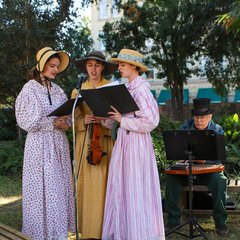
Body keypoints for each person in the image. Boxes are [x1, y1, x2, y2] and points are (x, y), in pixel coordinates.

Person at [101, 49, 165, 240]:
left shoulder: (142, 90)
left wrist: (123, 120)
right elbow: (118, 118)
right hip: (124, 142)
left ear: (133, 67)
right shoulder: (126, 89)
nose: (119, 68)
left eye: (122, 64)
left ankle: (139, 234)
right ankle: (124, 232)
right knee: (122, 186)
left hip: (137, 144)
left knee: (135, 187)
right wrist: (105, 118)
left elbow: (151, 122)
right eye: (119, 64)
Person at [15, 47, 75, 239]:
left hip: (58, 145)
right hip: (39, 147)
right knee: (41, 191)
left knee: (58, 190)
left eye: (57, 66)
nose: (55, 69)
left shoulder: (58, 90)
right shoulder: (29, 89)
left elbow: (66, 117)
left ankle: (57, 234)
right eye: (52, 65)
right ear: (41, 65)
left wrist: (66, 122)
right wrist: (52, 122)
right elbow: (25, 120)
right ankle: (39, 234)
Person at [165, 98, 228, 237]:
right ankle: (173, 220)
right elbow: (177, 150)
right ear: (193, 116)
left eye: (203, 117)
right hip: (187, 170)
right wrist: (181, 157)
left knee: (220, 180)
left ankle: (220, 223)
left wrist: (205, 159)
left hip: (209, 171)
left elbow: (221, 157)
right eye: (197, 117)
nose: (199, 121)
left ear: (210, 116)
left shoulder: (217, 129)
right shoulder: (185, 127)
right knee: (171, 179)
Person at [71, 51, 118, 239]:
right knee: (86, 187)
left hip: (105, 141)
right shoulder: (78, 90)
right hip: (85, 143)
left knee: (106, 185)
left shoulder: (111, 88)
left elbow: (118, 115)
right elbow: (73, 119)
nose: (93, 69)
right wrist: (85, 120)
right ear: (85, 68)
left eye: (97, 65)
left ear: (103, 67)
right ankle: (89, 231)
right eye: (90, 65)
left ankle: (107, 230)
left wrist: (105, 121)